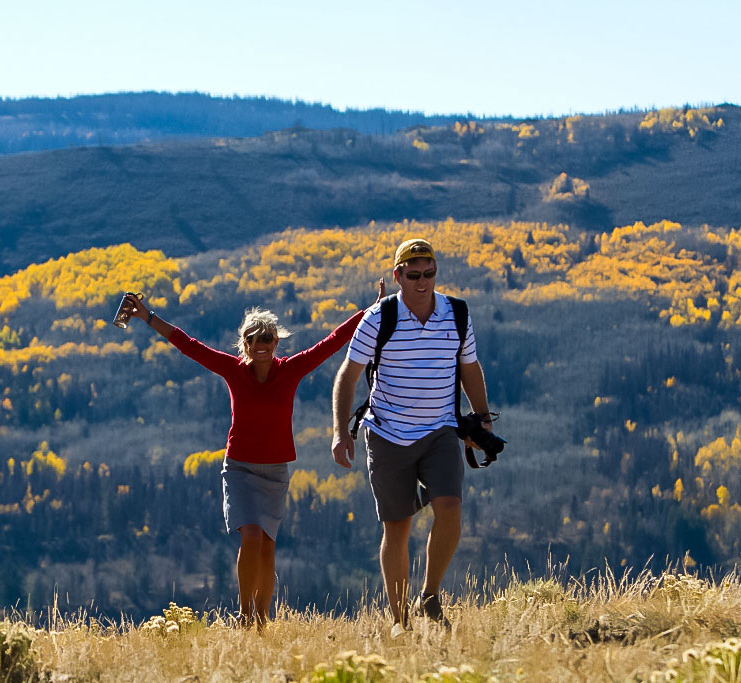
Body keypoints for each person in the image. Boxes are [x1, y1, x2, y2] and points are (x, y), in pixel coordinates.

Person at [124, 280, 382, 628]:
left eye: (266, 339)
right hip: (240, 469)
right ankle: (244, 615)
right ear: (243, 344)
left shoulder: (291, 369)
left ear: (276, 342)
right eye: (253, 339)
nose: (260, 345)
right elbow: (189, 345)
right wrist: (148, 316)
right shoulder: (233, 370)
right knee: (251, 537)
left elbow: (332, 342)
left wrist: (371, 310)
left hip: (275, 472)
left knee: (268, 549)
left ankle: (261, 621)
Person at [330, 238, 492, 635]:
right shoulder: (378, 318)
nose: (423, 281)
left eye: (429, 273)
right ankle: (400, 621)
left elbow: (469, 368)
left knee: (450, 508)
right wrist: (339, 432)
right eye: (414, 274)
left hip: (440, 429)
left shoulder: (456, 314)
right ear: (398, 275)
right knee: (397, 526)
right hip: (387, 434)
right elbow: (347, 376)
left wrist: (482, 420)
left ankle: (431, 596)